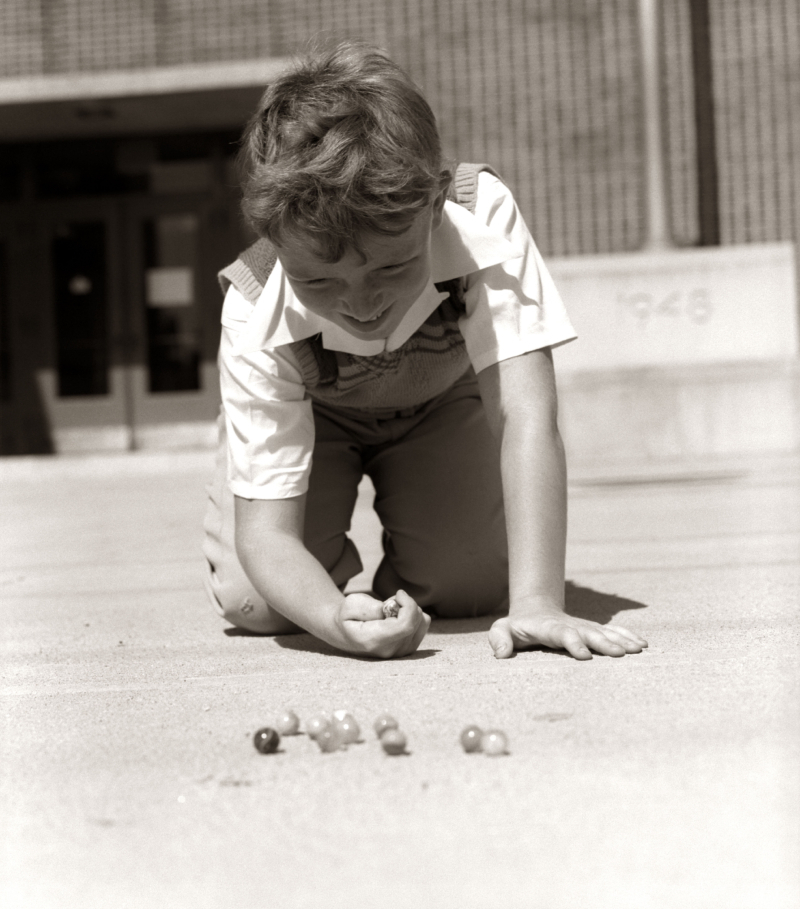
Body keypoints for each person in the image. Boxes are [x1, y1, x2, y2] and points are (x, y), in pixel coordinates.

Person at [202, 41, 648, 662]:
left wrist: (538, 601)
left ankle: (421, 564)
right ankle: (333, 578)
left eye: (390, 268)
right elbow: (268, 535)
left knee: (468, 588)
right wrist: (336, 619)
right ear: (274, 240)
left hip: (442, 401)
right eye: (321, 282)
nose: (360, 304)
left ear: (433, 205)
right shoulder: (254, 300)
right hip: (315, 415)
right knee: (259, 601)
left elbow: (525, 414)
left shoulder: (480, 212)